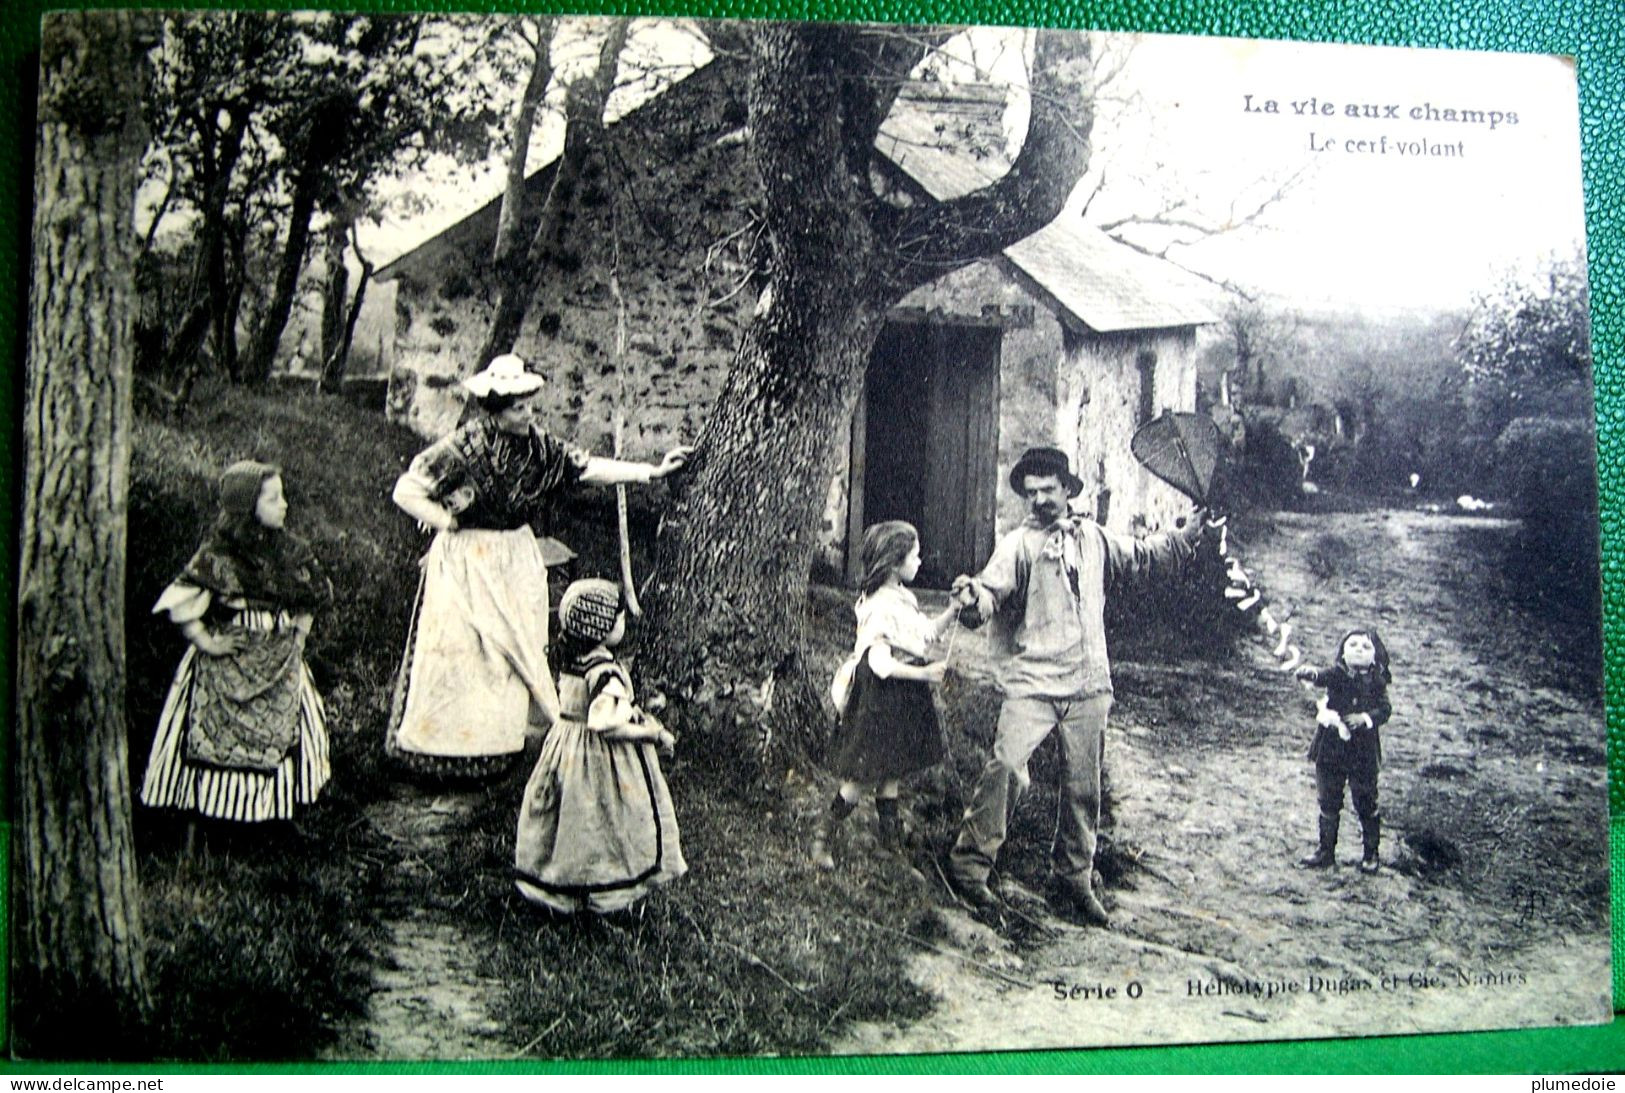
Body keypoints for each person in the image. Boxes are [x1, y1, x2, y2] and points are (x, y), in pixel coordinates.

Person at [387, 354, 689, 779]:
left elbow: (583, 467)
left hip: (514, 554)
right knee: (467, 651)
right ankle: (444, 749)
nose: (528, 413)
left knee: (516, 652)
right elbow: (407, 490)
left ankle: (498, 747)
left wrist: (651, 472)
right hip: (469, 559)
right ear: (494, 408)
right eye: (517, 407)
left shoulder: (537, 447)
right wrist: (449, 521)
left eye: (529, 403)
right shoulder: (464, 446)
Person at [947, 446, 1208, 925]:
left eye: (1049, 489)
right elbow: (989, 592)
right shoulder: (1018, 545)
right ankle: (969, 868)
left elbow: (1144, 557)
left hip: (1089, 682)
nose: (1040, 499)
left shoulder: (1093, 537)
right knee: (1004, 765)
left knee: (1084, 788)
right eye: (1032, 492)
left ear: (1068, 489)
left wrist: (1188, 534)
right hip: (1034, 680)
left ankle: (1075, 879)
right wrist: (972, 600)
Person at [140, 460, 334, 823]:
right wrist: (206, 642)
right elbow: (180, 601)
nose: (285, 505)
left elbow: (314, 596)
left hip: (281, 656)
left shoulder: (292, 551)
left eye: (283, 496)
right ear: (247, 508)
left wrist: (299, 638)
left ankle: (273, 816)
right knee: (215, 731)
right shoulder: (219, 555)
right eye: (273, 499)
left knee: (287, 724)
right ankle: (213, 816)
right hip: (231, 655)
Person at [514, 578, 687, 914]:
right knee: (602, 816)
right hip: (597, 757)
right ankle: (601, 887)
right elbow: (602, 723)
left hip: (566, 746)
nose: (623, 624)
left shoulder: (573, 662)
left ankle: (559, 878)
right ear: (602, 628)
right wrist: (649, 734)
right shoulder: (605, 672)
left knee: (568, 815)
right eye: (618, 618)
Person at [812, 521, 958, 869]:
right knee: (861, 777)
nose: (920, 562)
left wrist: (954, 609)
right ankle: (822, 837)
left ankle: (888, 845)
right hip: (880, 698)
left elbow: (923, 635)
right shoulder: (879, 606)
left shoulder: (902, 598)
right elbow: (879, 664)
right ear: (895, 563)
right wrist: (923, 673)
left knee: (891, 769)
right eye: (915, 555)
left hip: (899, 698)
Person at [1293, 627, 1393, 873]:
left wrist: (1365, 718)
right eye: (1353, 645)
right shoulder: (1336, 674)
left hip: (1363, 753)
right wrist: (1310, 673)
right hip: (1331, 748)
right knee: (1328, 799)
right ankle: (1325, 852)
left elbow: (1385, 710)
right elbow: (1321, 676)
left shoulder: (1377, 683)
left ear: (1376, 656)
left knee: (1366, 800)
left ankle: (1371, 855)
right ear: (1343, 653)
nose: (1359, 649)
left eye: (1366, 647)